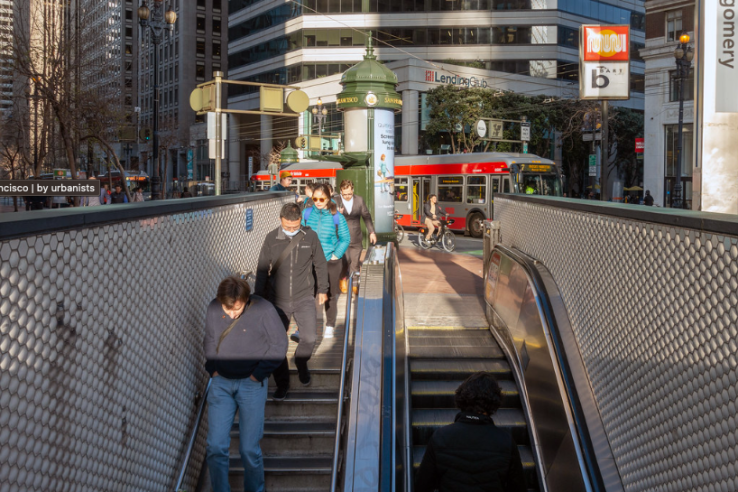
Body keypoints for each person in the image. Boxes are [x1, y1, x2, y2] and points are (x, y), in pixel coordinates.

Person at [204, 276, 288, 492]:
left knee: (249, 450)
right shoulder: (213, 308)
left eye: (237, 308)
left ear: (245, 299)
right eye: (227, 308)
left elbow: (279, 345)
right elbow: (210, 339)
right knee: (215, 447)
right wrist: (213, 369)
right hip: (221, 383)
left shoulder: (263, 310)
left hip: (251, 385)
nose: (231, 313)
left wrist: (258, 375)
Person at [255, 203, 329, 400]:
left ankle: (301, 361)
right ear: (281, 220)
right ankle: (283, 383)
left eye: (295, 226)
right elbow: (262, 269)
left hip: (304, 296)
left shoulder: (309, 236)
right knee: (277, 343)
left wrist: (323, 289)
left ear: (300, 221)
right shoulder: (271, 238)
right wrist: (258, 298)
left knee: (310, 337)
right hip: (277, 299)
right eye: (288, 226)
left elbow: (320, 264)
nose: (291, 229)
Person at [415, 372, 527, 492]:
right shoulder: (506, 442)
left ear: (462, 399)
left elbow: (422, 486)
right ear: (494, 403)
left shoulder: (440, 437)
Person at [302, 184, 350, 339]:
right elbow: (300, 235)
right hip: (310, 261)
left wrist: (336, 254)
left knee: (329, 293)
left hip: (331, 261)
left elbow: (345, 239)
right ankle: (311, 325)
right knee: (310, 294)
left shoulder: (337, 216)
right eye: (315, 198)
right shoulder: (307, 213)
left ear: (328, 198)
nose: (318, 201)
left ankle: (329, 324)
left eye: (321, 198)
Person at [337, 180, 376, 277]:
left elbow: (366, 216)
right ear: (341, 191)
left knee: (355, 263)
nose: (347, 196)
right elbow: (328, 217)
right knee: (345, 262)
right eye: (345, 194)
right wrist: (336, 214)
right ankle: (342, 279)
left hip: (356, 237)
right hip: (341, 238)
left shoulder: (359, 200)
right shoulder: (335, 201)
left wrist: (372, 232)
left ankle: (354, 285)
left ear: (353, 190)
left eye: (350, 194)